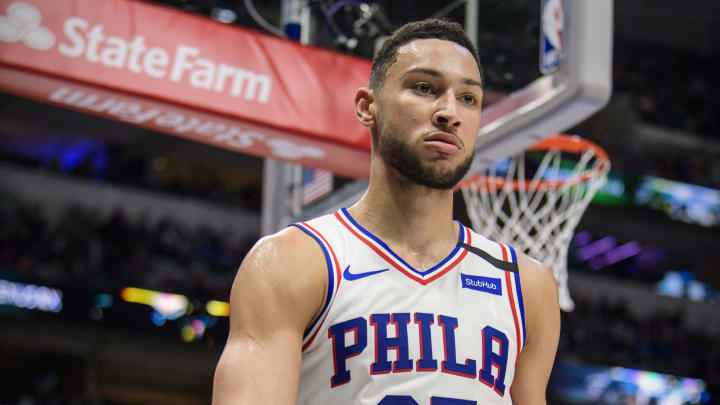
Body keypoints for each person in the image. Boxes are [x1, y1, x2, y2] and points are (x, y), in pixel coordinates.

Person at [212, 18, 560, 405]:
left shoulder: (526, 287)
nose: (450, 112)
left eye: (468, 98)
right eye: (425, 88)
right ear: (367, 107)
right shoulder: (293, 262)